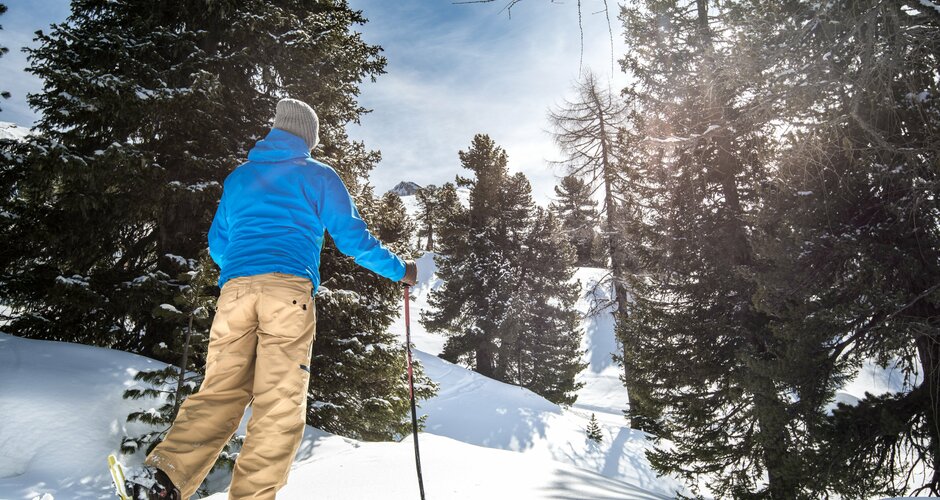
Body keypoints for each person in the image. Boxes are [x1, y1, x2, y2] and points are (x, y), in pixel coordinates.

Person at [126, 98, 418, 500]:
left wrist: (247, 269)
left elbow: (218, 244)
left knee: (218, 392)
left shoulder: (239, 178)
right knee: (278, 407)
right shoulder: (317, 175)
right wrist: (403, 271)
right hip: (288, 294)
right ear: (308, 137)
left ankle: (163, 479)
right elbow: (352, 240)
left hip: (235, 293)